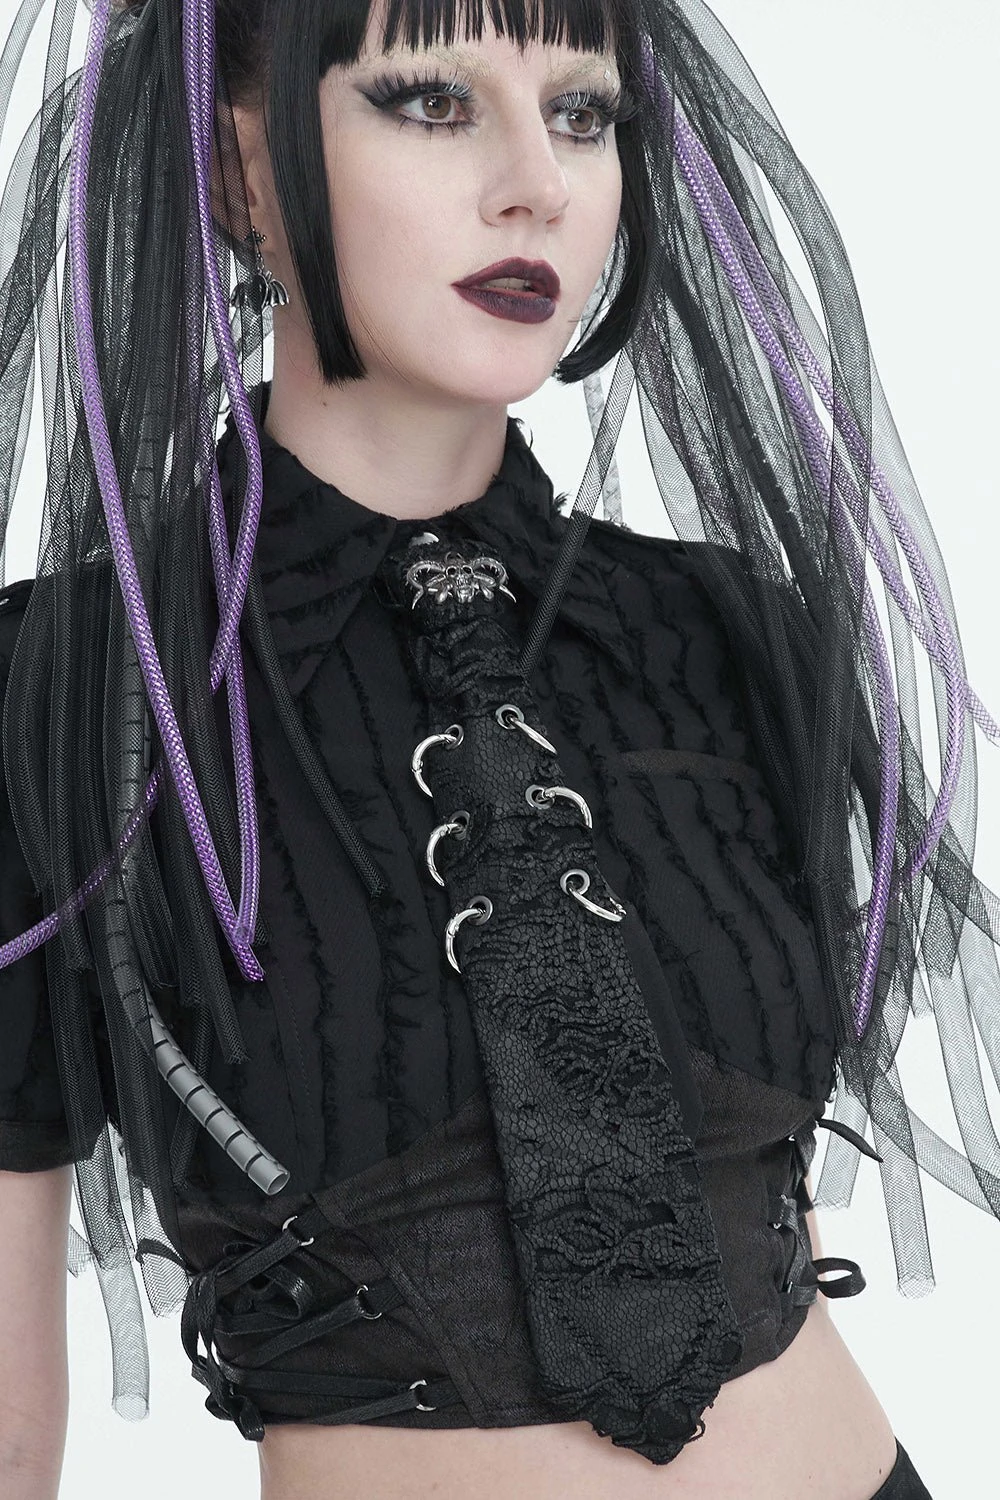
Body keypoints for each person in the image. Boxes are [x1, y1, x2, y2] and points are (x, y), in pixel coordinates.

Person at [0, 0, 994, 1494]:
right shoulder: (69, 695)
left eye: (583, 114)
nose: (538, 183)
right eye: (429, 100)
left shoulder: (722, 634)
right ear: (236, 171)